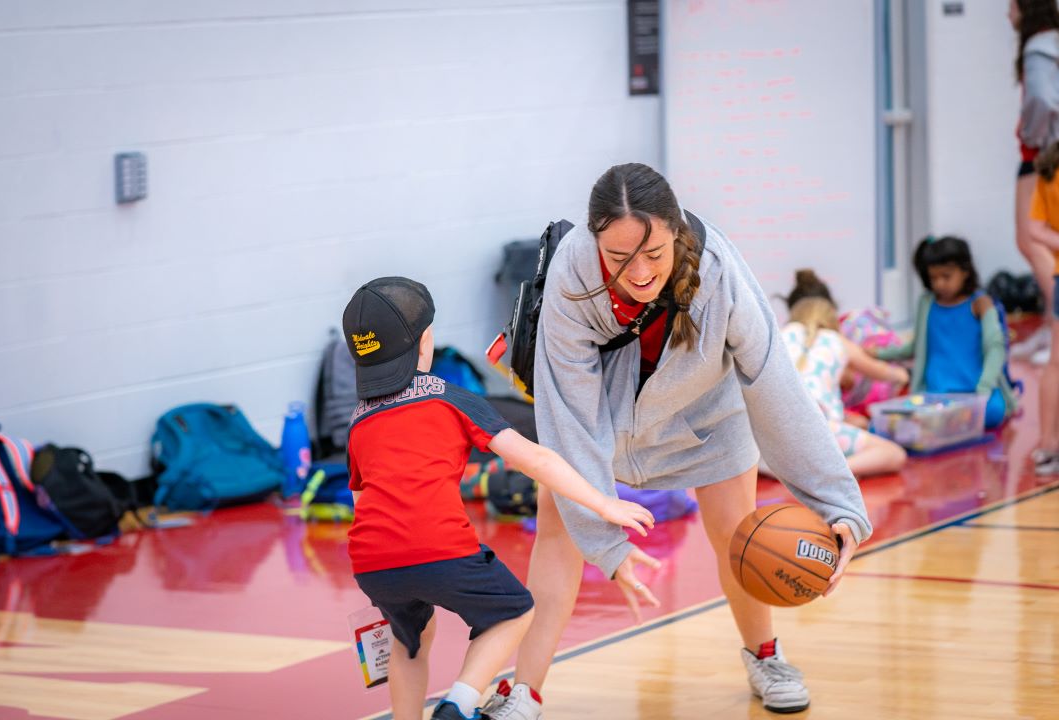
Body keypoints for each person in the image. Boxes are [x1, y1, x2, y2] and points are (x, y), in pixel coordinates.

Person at [484, 163, 873, 719]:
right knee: (557, 531)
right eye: (618, 257)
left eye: (654, 254)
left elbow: (774, 384)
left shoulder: (718, 271)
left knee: (740, 536)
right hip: (602, 422)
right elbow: (570, 417)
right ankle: (524, 690)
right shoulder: (572, 273)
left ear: (676, 233)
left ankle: (766, 655)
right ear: (595, 241)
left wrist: (837, 502)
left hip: (708, 413)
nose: (639, 271)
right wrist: (607, 542)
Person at [342, 277, 656, 720]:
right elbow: (536, 460)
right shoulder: (451, 400)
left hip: (372, 562)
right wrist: (605, 505)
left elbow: (361, 499)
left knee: (409, 643)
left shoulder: (358, 422)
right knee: (513, 613)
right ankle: (459, 704)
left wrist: (384, 568)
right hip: (441, 548)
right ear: (426, 340)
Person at [874, 236, 1018, 430]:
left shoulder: (981, 303)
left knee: (992, 411)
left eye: (946, 276)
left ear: (965, 271)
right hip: (935, 396)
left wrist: (983, 389)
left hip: (976, 394)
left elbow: (996, 349)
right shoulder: (926, 303)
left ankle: (951, 421)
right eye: (934, 278)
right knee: (883, 423)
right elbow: (914, 347)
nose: (939, 284)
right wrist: (878, 353)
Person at [781, 271, 909, 478]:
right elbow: (883, 372)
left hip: (768, 439)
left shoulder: (782, 335)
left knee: (854, 422)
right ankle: (832, 474)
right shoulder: (838, 341)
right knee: (894, 454)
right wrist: (903, 375)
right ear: (832, 314)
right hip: (815, 434)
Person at [1008, 0, 1059, 365]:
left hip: (1041, 156)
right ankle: (1049, 324)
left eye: (1011, 6)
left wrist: (1032, 135)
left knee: (1030, 238)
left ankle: (1054, 323)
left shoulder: (1038, 45)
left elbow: (1041, 98)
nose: (1007, 15)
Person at [1025, 140, 1059, 474]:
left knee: (1056, 363)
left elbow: (1035, 229)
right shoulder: (1050, 172)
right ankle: (1048, 445)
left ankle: (1049, 445)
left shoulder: (1048, 170)